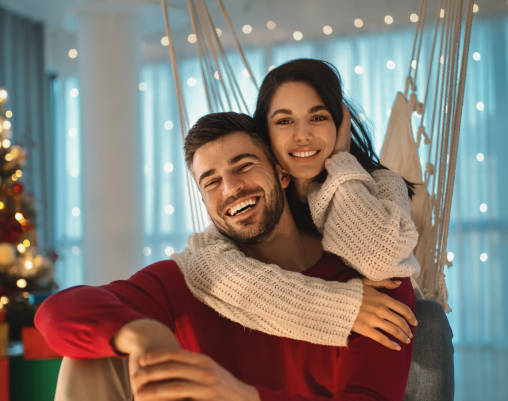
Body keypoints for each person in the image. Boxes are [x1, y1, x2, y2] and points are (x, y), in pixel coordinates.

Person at [35, 112, 414, 400]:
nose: (231, 188)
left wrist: (244, 396)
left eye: (244, 166)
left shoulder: (366, 283)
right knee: (90, 358)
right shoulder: (190, 277)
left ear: (282, 173)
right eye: (212, 182)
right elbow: (58, 312)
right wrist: (143, 335)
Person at [175, 58, 421, 349]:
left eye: (318, 118)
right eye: (284, 121)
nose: (302, 136)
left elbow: (379, 260)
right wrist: (342, 308)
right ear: (266, 133)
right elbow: (209, 266)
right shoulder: (262, 197)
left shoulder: (381, 184)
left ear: (339, 123)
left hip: (393, 342)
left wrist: (342, 163)